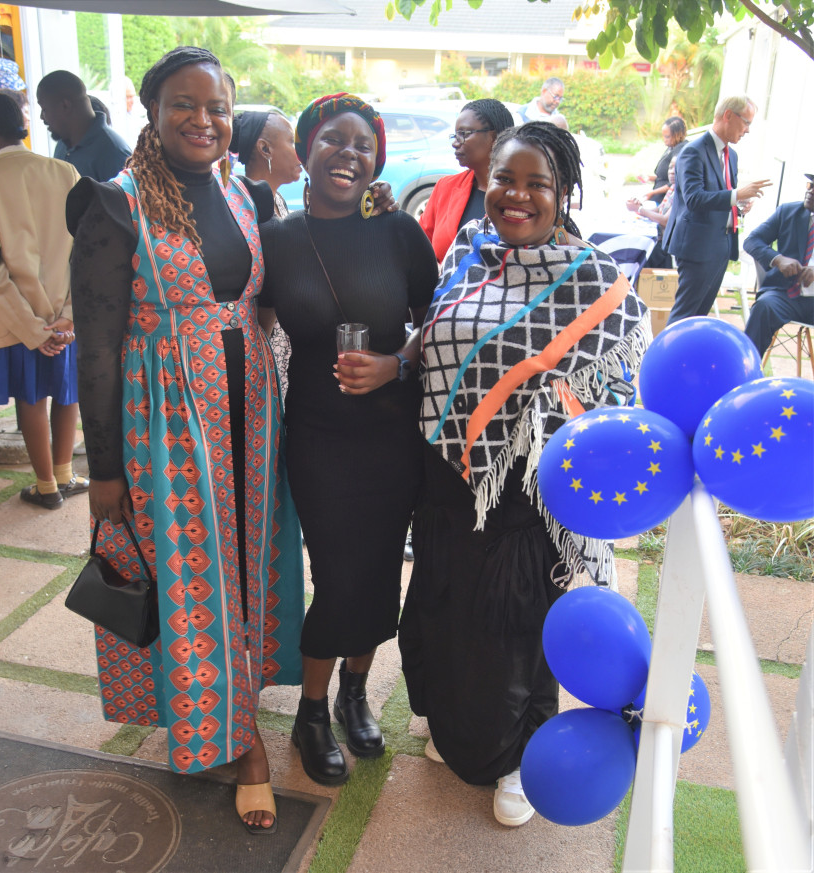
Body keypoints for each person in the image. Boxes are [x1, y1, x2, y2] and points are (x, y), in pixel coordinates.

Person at [66, 46, 307, 835]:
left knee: (243, 571)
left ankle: (228, 703)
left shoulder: (244, 193)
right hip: (164, 421)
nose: (203, 119)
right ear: (150, 109)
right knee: (189, 575)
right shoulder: (113, 203)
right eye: (184, 104)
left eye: (216, 106)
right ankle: (242, 747)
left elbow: (256, 300)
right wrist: (102, 471)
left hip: (247, 413)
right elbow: (95, 348)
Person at [399, 122, 649, 827]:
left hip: (528, 492)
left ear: (562, 192)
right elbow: (432, 344)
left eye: (537, 183)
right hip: (450, 477)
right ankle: (458, 729)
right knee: (447, 610)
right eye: (506, 177)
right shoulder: (470, 255)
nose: (518, 195)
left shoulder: (595, 280)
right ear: (487, 181)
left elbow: (617, 393)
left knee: (514, 626)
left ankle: (520, 754)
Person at [259, 93, 438, 787]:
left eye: (364, 144)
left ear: (378, 160)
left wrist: (397, 363)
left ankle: (354, 692)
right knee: (336, 572)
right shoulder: (275, 239)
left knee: (379, 564)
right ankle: (310, 710)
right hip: (315, 432)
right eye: (335, 139)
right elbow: (255, 327)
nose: (350, 154)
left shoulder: (397, 231)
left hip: (391, 430)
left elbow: (441, 321)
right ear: (306, 149)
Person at [0, 92, 87, 509]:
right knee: (66, 391)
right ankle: (67, 473)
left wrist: (33, 329)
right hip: (64, 315)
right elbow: (83, 249)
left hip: (15, 319)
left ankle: (46, 485)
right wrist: (67, 316)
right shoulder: (63, 170)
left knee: (30, 398)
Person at [662, 95, 771, 325]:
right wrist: (736, 195)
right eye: (747, 122)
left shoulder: (732, 156)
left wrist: (739, 206)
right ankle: (667, 360)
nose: (748, 130)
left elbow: (721, 198)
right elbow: (694, 199)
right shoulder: (693, 151)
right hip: (697, 247)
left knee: (699, 316)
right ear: (728, 116)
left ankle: (688, 360)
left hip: (721, 245)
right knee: (684, 315)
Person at [231, 109, 303, 399]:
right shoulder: (243, 207)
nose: (301, 152)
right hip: (258, 348)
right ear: (265, 149)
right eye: (292, 142)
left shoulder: (279, 201)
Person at [419, 98, 515, 262]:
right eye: (455, 135)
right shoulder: (445, 187)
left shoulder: (521, 196)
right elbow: (418, 247)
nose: (455, 143)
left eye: (464, 134)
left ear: (495, 137)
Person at [743, 173, 814, 357]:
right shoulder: (788, 212)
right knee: (763, 307)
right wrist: (778, 259)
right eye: (810, 185)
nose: (810, 192)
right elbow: (752, 241)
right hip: (785, 294)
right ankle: (746, 369)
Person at [36, 70, 130, 181]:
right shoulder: (62, 146)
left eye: (44, 109)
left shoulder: (113, 153)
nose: (42, 117)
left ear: (65, 106)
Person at [626, 155, 677, 269]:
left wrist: (639, 209)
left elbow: (665, 220)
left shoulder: (682, 191)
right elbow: (660, 210)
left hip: (665, 246)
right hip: (660, 239)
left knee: (637, 255)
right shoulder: (673, 188)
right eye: (670, 168)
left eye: (677, 168)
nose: (672, 172)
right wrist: (638, 207)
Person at [639, 116, 686, 206]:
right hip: (659, 198)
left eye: (667, 136)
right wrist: (649, 178)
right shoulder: (671, 148)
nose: (664, 139)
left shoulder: (680, 150)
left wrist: (652, 193)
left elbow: (674, 182)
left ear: (677, 134)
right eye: (663, 136)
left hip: (666, 201)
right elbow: (663, 176)